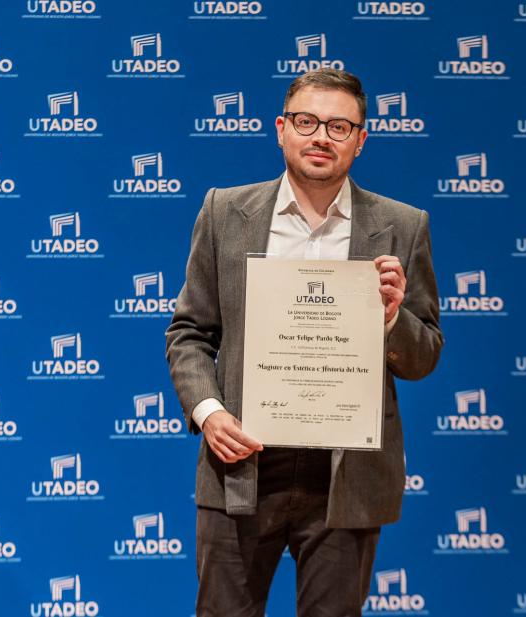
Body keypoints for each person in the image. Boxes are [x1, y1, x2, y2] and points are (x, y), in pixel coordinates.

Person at [166, 68, 443, 617]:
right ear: (281, 129)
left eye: (339, 127)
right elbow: (189, 333)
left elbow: (424, 355)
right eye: (307, 122)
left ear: (361, 140)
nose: (321, 137)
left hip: (346, 475)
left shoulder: (403, 226)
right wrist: (209, 412)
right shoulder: (225, 212)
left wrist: (392, 319)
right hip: (243, 463)